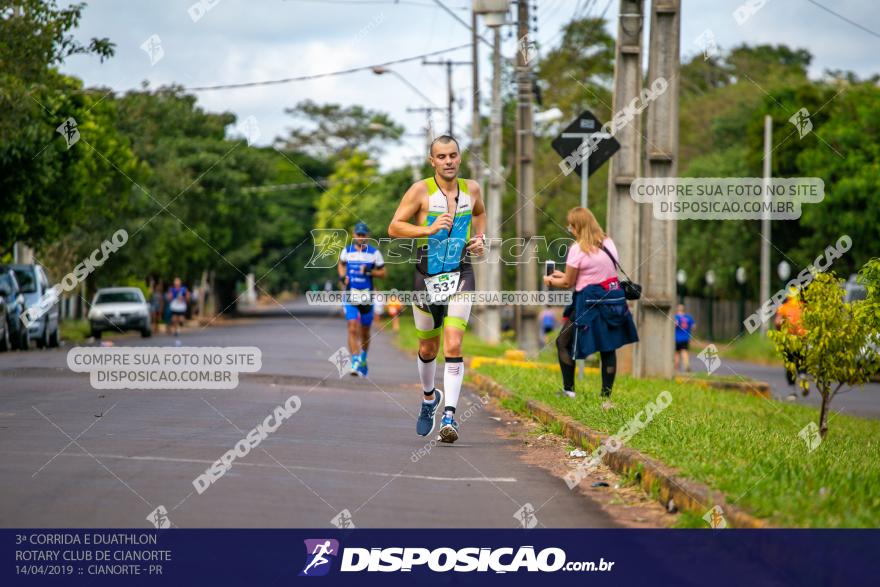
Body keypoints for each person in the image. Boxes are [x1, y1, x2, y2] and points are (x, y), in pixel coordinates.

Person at [388, 134, 486, 443]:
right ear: (433, 161)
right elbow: (394, 228)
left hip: (461, 273)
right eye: (441, 157)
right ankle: (430, 398)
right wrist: (427, 229)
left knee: (454, 345)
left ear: (460, 157)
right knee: (428, 348)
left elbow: (480, 213)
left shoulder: (472, 188)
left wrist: (480, 239)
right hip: (425, 275)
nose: (448, 161)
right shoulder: (420, 190)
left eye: (453, 155)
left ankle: (451, 417)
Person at [544, 207, 638, 409]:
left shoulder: (578, 249)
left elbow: (569, 283)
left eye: (571, 225)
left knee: (563, 342)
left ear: (579, 226)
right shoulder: (608, 242)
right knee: (608, 347)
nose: (570, 229)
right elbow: (594, 273)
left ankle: (568, 390)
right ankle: (606, 397)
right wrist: (562, 276)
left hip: (588, 303)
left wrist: (550, 280)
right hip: (612, 300)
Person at [338, 222, 385, 377]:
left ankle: (363, 359)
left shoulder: (374, 253)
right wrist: (342, 276)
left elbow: (383, 273)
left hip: (367, 296)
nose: (361, 237)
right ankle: (355, 360)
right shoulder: (347, 251)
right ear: (354, 235)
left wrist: (370, 271)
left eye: (363, 235)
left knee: (365, 331)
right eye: (358, 234)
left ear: (367, 236)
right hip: (351, 294)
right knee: (352, 327)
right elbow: (341, 265)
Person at [775, 289, 807, 399]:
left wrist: (779, 331)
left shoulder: (783, 307)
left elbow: (777, 322)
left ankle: (793, 392)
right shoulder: (803, 306)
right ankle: (803, 377)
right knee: (801, 362)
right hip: (802, 339)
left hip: (788, 339)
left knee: (790, 365)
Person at [674, 304, 696, 372]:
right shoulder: (689, 317)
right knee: (684, 352)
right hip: (686, 338)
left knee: (676, 353)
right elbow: (694, 327)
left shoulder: (676, 317)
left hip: (677, 338)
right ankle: (686, 365)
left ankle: (676, 369)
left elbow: (675, 324)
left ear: (677, 309)